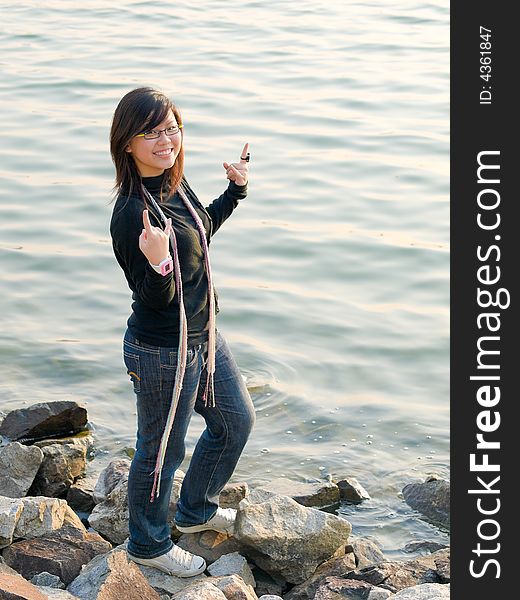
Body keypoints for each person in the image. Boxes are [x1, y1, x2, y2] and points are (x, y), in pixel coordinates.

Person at [109, 87, 256, 578]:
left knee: (235, 421)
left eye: (171, 127)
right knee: (160, 451)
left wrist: (234, 193)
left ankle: (195, 512)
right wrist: (157, 263)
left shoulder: (174, 184)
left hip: (204, 337)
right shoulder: (132, 212)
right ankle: (147, 544)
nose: (164, 139)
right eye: (150, 132)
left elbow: (199, 232)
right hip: (162, 350)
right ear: (127, 142)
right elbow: (156, 299)